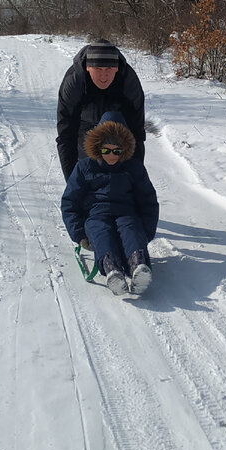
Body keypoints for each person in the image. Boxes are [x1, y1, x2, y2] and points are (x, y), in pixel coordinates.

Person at [60, 111, 159, 296]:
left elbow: (148, 200)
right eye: (106, 150)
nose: (111, 155)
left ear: (125, 149)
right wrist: (79, 234)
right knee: (100, 232)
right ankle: (111, 268)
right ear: (98, 147)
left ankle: (138, 264)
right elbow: (70, 201)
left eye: (117, 151)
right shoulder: (85, 167)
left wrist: (146, 231)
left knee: (130, 229)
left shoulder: (133, 168)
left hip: (126, 212)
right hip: (96, 214)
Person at [56, 40, 146, 181]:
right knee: (89, 174)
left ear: (116, 69)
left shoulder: (128, 80)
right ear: (88, 68)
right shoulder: (74, 82)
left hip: (118, 127)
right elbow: (66, 135)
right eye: (98, 69)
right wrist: (72, 183)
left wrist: (136, 180)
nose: (103, 76)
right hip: (84, 126)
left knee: (119, 178)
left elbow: (137, 133)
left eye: (109, 69)